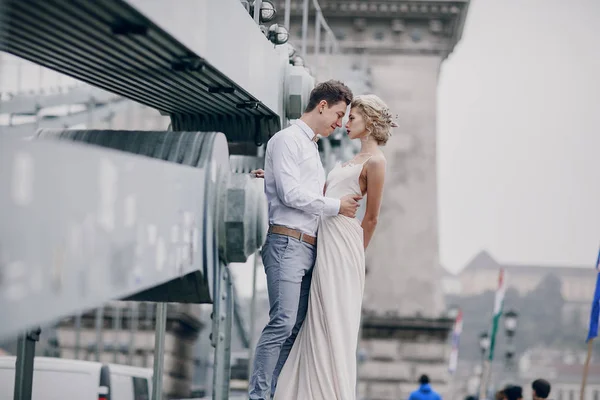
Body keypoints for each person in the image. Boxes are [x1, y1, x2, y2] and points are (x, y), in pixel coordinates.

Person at [272, 94, 395, 399]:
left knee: (334, 320)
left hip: (343, 249)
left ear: (370, 121)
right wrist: (273, 178)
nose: (345, 123)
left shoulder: (376, 162)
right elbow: (319, 195)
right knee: (317, 318)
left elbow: (372, 218)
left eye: (352, 117)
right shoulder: (347, 161)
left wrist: (354, 259)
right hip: (324, 241)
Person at [248, 80, 361, 400]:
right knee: (282, 323)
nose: (340, 124)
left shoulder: (309, 146)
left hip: (309, 246)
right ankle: (258, 396)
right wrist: (337, 206)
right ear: (322, 106)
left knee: (296, 328)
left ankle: (274, 392)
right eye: (339, 115)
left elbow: (294, 188)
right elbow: (290, 193)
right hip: (287, 243)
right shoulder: (287, 140)